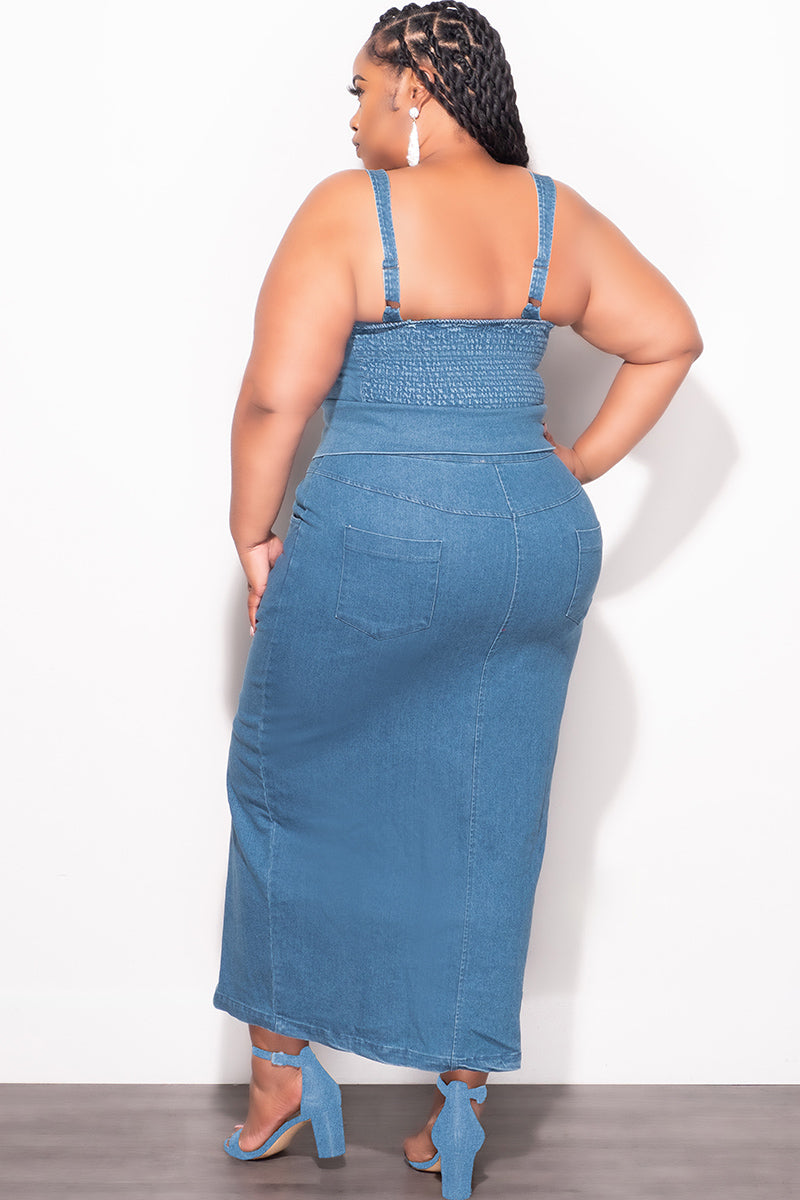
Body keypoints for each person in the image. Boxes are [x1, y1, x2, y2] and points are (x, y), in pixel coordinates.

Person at [212, 4, 703, 1197]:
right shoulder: (553, 214)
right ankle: (459, 1108)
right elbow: (668, 339)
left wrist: (251, 532)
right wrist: (567, 468)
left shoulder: (351, 209)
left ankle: (280, 1079)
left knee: (286, 789)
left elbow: (278, 400)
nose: (351, 116)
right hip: (533, 546)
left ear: (416, 89)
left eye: (361, 88)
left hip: (378, 529)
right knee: (487, 811)